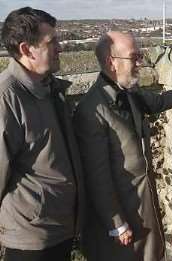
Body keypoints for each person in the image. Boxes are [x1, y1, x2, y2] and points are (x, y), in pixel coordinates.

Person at [74, 31, 172, 261]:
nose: (140, 63)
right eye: (134, 57)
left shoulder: (129, 92)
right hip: (122, 213)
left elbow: (161, 102)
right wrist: (117, 224)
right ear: (112, 62)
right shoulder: (92, 110)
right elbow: (97, 176)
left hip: (142, 204)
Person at [0, 7, 85, 261]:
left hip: (61, 226)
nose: (60, 47)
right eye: (52, 42)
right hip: (30, 237)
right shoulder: (7, 97)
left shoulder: (49, 87)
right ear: (26, 50)